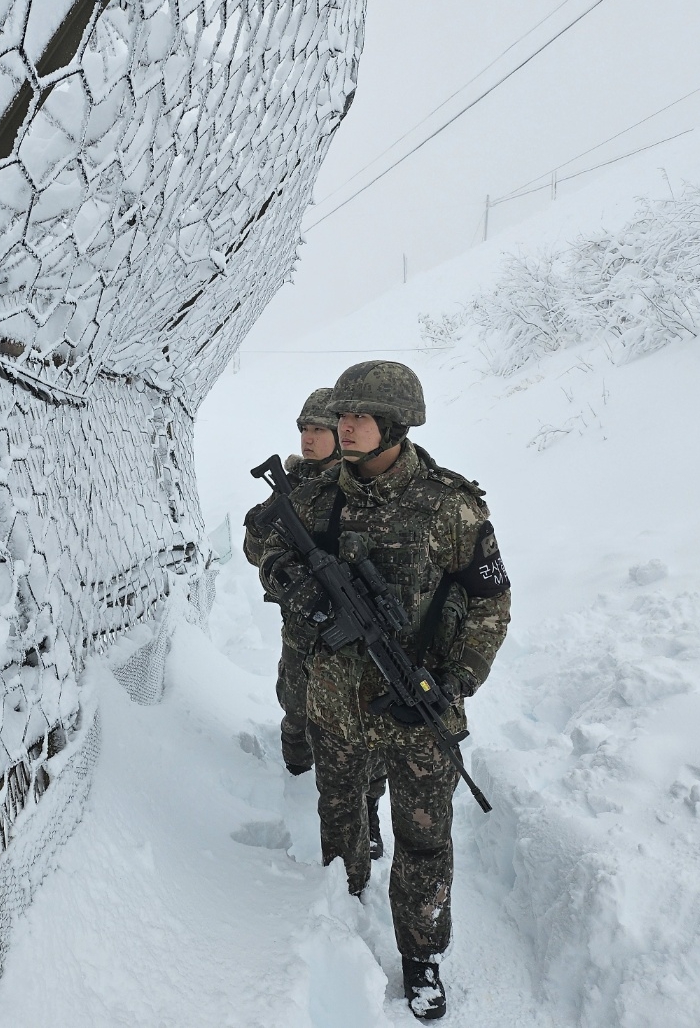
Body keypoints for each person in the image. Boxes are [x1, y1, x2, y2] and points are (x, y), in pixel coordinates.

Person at [255, 361, 511, 1020]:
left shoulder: (449, 505)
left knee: (425, 841)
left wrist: (455, 681)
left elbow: (490, 603)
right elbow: (261, 540)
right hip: (337, 705)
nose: (343, 426)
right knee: (340, 824)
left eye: (357, 416)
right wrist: (293, 578)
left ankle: (422, 959)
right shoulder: (316, 495)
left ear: (395, 424)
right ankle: (339, 924)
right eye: (340, 415)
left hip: (419, 707)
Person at [243, 387, 339, 776]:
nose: (308, 438)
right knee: (296, 702)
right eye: (305, 428)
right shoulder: (291, 484)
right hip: (301, 623)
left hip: (344, 627)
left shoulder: (355, 487)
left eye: (319, 429)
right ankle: (295, 775)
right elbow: (254, 553)